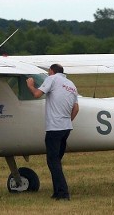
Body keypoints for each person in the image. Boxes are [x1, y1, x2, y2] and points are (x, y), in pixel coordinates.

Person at [26, 64, 79, 200]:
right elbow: (76, 108)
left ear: (51, 71)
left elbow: (37, 94)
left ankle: (63, 194)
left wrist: (31, 85)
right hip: (66, 128)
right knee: (56, 161)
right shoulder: (71, 83)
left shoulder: (52, 78)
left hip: (54, 128)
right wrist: (66, 121)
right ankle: (56, 192)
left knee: (53, 162)